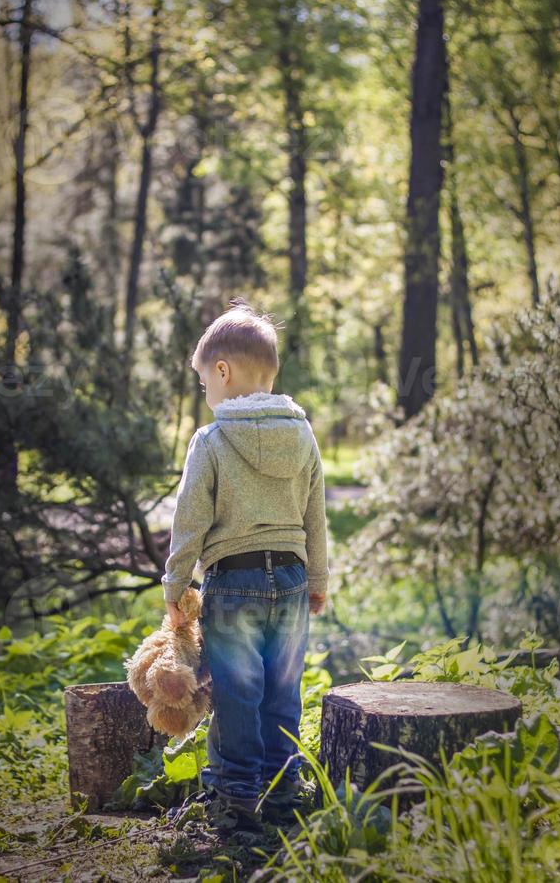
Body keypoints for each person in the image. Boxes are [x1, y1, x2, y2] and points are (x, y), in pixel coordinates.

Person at [161, 298, 329, 829]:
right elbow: (315, 515)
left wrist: (177, 582)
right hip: (294, 580)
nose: (205, 393)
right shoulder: (302, 436)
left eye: (205, 382)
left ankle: (235, 797)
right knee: (283, 689)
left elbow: (189, 518)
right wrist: (318, 581)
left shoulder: (211, 440)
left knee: (237, 691)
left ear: (223, 371)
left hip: (233, 582)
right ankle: (281, 795)